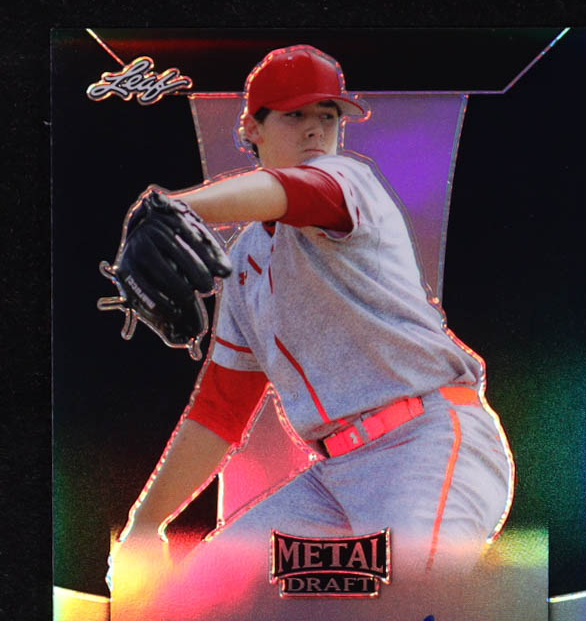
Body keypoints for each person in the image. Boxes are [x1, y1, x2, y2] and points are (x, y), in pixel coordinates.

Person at [114, 44, 514, 585]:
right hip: (334, 480)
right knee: (198, 597)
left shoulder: (349, 181)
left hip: (427, 445)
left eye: (327, 116)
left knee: (412, 606)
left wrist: (179, 207)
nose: (314, 130)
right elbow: (220, 410)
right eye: (294, 114)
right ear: (251, 129)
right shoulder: (244, 260)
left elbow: (298, 192)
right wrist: (145, 524)